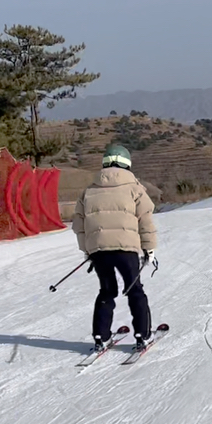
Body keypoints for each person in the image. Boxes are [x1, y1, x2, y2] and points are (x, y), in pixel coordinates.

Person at [71, 144, 157, 351]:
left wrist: (87, 251)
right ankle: (142, 335)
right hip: (126, 249)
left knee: (107, 291)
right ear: (127, 164)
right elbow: (145, 220)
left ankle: (101, 336)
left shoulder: (89, 190)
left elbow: (78, 224)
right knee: (134, 289)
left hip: (99, 251)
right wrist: (150, 249)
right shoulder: (135, 188)